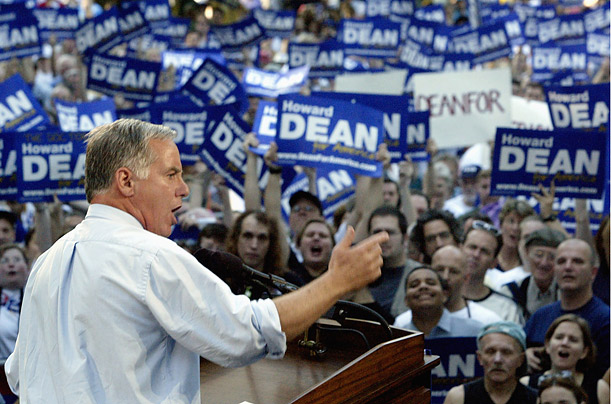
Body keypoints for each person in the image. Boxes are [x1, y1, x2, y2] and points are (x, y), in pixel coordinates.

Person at [5, 119, 389, 403]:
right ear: (126, 182)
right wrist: (337, 281)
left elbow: (19, 376)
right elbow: (248, 333)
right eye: (171, 174)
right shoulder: (150, 256)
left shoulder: (46, 264)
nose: (184, 189)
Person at [524, 239, 610, 380]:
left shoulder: (605, 320)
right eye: (561, 261)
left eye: (577, 261)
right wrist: (524, 357)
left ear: (593, 272)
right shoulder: (540, 316)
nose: (568, 267)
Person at [444, 322, 538, 404]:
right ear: (479, 357)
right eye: (490, 351)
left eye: (506, 352)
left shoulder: (535, 400)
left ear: (520, 359)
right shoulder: (459, 397)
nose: (498, 360)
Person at [521, 314, 598, 404]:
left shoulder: (598, 388)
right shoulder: (526, 383)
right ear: (547, 345)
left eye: (573, 340)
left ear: (584, 351)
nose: (564, 343)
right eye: (559, 337)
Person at [461, 221, 524, 324]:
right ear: (460, 249)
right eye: (472, 247)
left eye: (484, 251)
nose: (476, 255)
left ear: (494, 263)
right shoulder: (440, 299)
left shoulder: (507, 308)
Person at [394, 266, 483, 338]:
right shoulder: (397, 336)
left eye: (431, 283)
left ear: (445, 295)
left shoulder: (473, 331)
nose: (423, 286)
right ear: (406, 300)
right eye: (414, 284)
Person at [501, 227, 566, 320]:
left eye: (552, 257)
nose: (544, 263)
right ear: (527, 253)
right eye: (538, 255)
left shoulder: (567, 294)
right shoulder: (510, 292)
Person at [431, 245, 502, 324]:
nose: (445, 277)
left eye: (453, 272)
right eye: (439, 270)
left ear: (466, 278)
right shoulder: (416, 319)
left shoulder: (486, 321)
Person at [0, 244, 30, 360]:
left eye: (17, 260)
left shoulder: (35, 295)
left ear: (28, 268)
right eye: (4, 261)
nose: (11, 264)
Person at [496, 199, 536, 273]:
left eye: (521, 223)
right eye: (511, 221)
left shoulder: (530, 263)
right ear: (501, 224)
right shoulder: (490, 255)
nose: (516, 228)